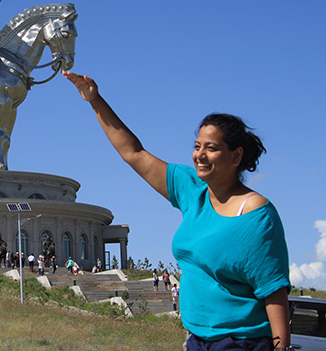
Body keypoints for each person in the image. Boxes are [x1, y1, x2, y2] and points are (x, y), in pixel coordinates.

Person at [63, 70, 291, 350]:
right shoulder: (191, 189)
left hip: (242, 342)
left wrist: (282, 348)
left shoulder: (255, 213)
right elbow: (134, 154)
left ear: (236, 156)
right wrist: (95, 101)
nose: (200, 155)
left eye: (211, 148)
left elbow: (274, 291)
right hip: (196, 340)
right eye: (197, 146)